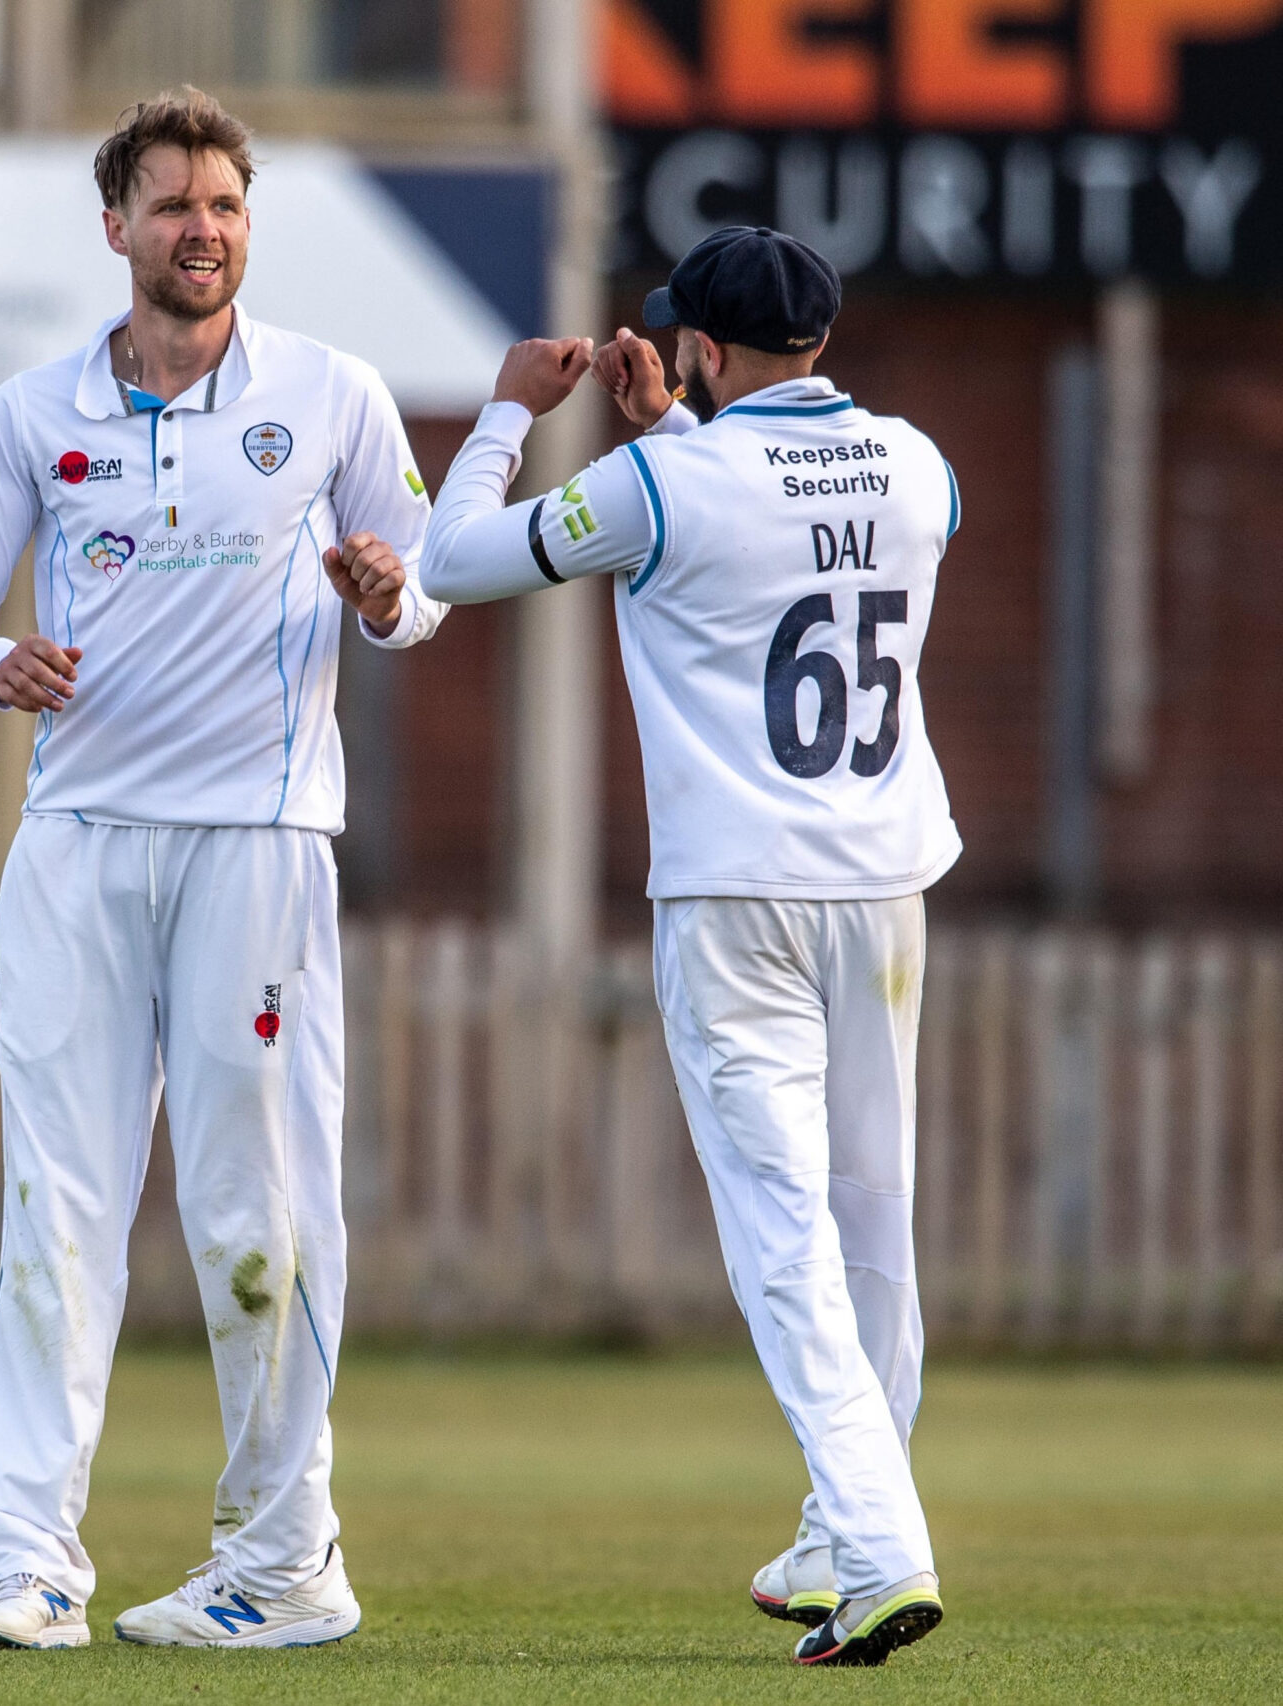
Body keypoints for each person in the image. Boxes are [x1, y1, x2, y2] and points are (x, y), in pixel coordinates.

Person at [0, 89, 446, 1651]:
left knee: (254, 1214)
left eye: (222, 204)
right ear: (117, 227)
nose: (199, 229)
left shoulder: (333, 396)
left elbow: (421, 606)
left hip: (258, 845)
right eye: (170, 205)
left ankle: (284, 1561)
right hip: (76, 843)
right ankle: (30, 1565)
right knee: (55, 1208)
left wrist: (385, 585)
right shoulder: (36, 411)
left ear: (246, 224)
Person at [413, 225, 957, 1668]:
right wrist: (683, 439)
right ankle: (855, 1523)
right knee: (875, 1224)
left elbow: (453, 564)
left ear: (705, 350)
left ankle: (883, 1544)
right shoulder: (917, 462)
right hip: (885, 885)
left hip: (737, 901)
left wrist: (513, 415)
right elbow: (795, 520)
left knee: (783, 1237)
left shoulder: (659, 477)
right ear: (821, 341)